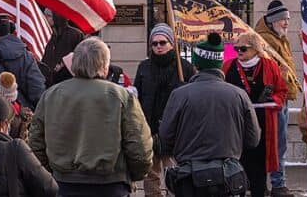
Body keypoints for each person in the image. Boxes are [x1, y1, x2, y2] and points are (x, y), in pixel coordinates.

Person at [28, 38, 152, 197]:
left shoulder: (51, 95)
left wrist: (52, 172)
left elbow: (36, 141)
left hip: (64, 183)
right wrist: (133, 175)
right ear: (105, 65)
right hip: (110, 184)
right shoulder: (120, 96)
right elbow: (139, 145)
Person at [160, 33, 260, 197]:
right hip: (227, 178)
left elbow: (165, 137)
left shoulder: (179, 95)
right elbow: (253, 139)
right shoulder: (239, 95)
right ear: (220, 64)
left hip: (189, 179)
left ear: (196, 65)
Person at [222, 32, 287, 197]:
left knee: (259, 165)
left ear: (255, 49)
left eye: (243, 48)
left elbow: (281, 91)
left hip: (263, 121)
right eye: (236, 48)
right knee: (237, 162)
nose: (239, 52)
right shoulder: (229, 64)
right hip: (236, 123)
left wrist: (273, 100)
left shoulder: (269, 65)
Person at [134, 23, 195, 197]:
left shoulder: (184, 67)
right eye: (155, 43)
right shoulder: (144, 67)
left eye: (163, 42)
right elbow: (137, 95)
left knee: (174, 174)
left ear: (171, 43)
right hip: (149, 128)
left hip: (175, 130)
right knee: (150, 174)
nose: (159, 47)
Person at [254, 1, 301, 197]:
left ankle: (271, 182)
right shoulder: (266, 41)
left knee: (276, 143)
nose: (286, 23)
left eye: (288, 19)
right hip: (274, 100)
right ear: (273, 20)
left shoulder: (280, 39)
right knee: (276, 143)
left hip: (281, 97)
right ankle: (277, 183)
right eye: (283, 19)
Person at [38, 11, 85, 88]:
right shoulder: (45, 34)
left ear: (57, 17)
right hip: (46, 82)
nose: (45, 18)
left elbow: (81, 57)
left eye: (49, 16)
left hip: (68, 83)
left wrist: (64, 65)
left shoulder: (75, 35)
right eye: (45, 15)